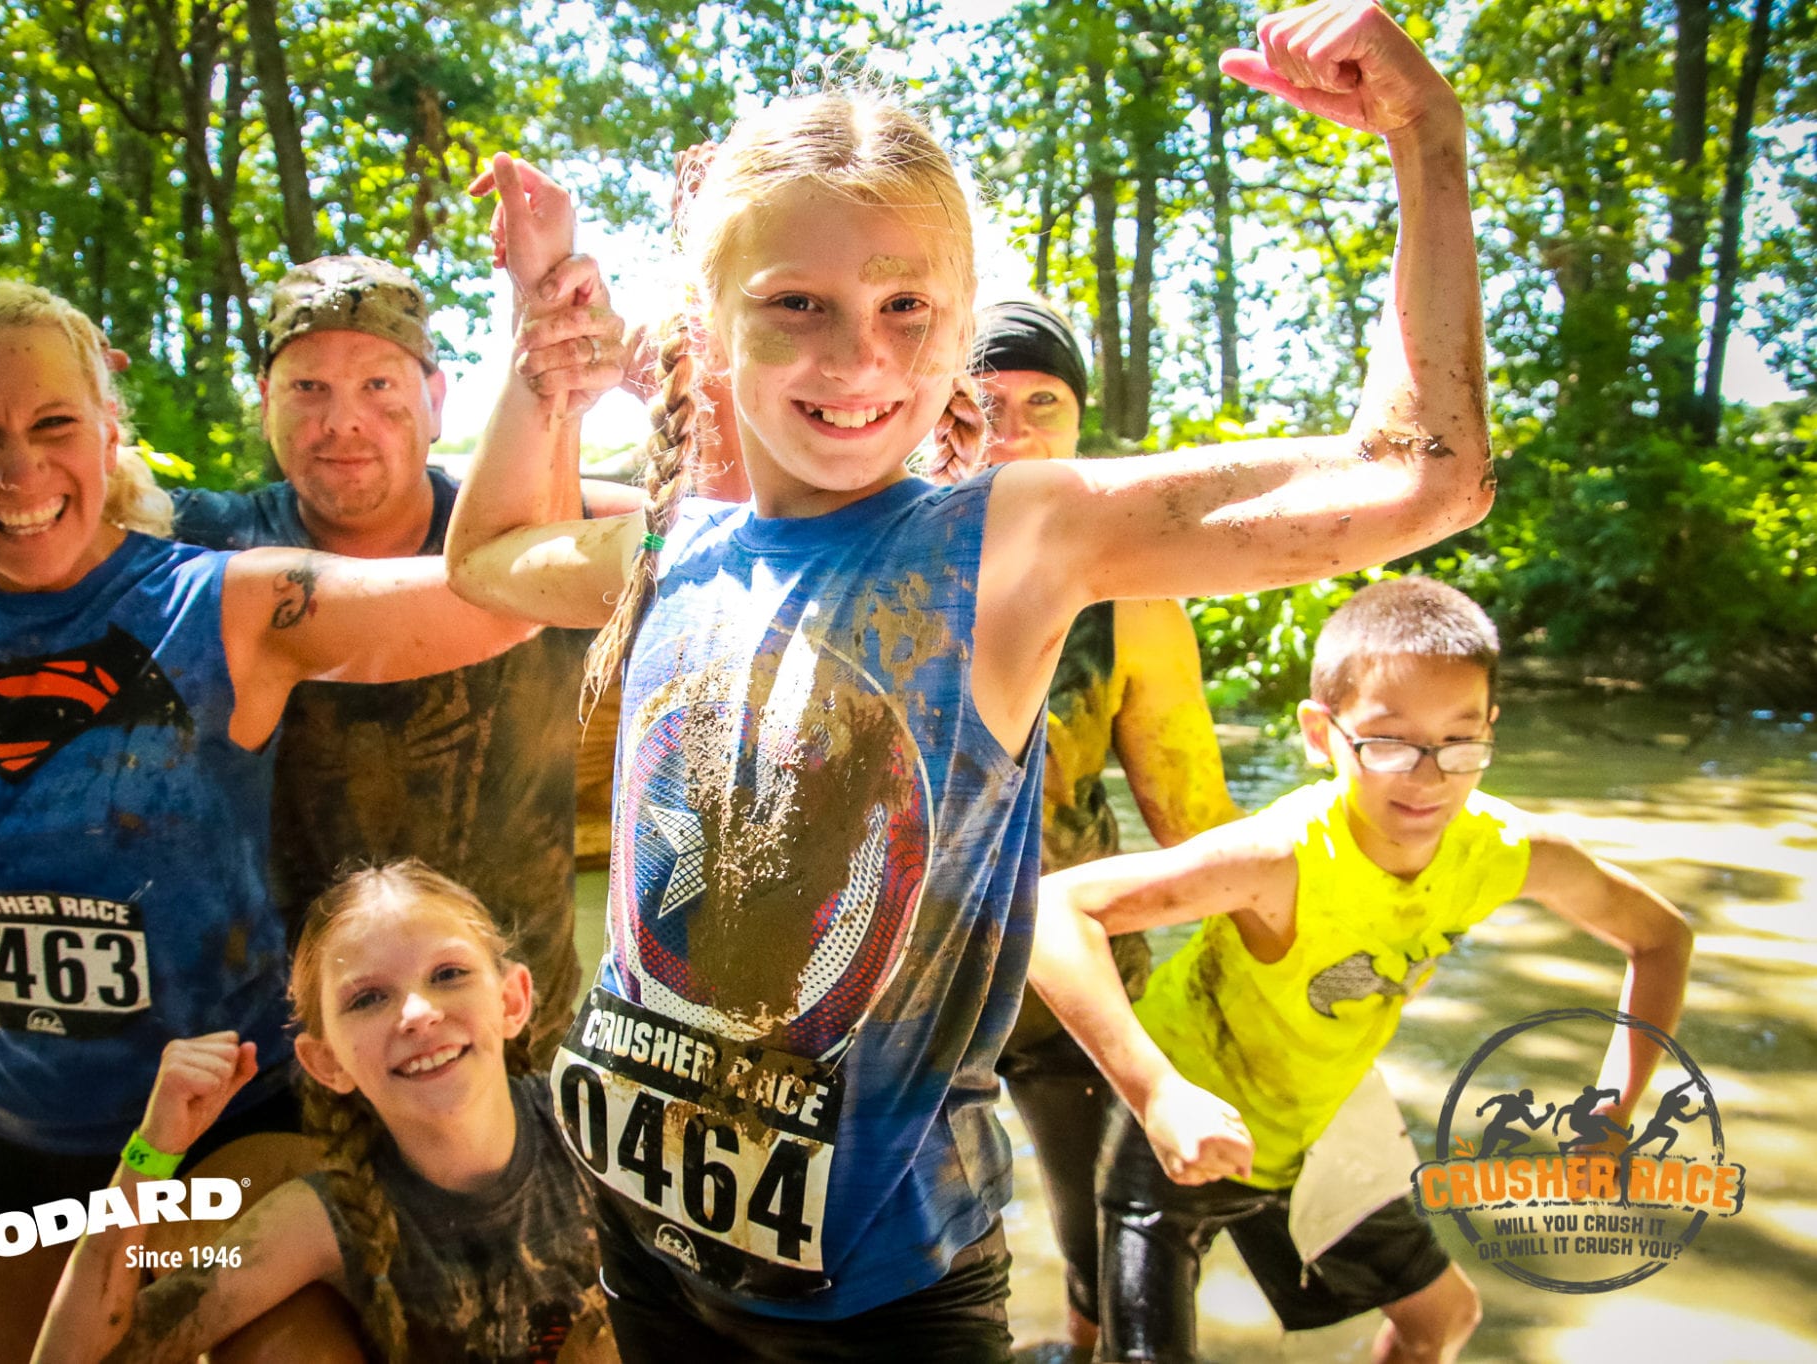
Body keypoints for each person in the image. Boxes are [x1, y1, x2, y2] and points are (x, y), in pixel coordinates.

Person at [448, 3, 1497, 1354]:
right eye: (795, 308)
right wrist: (543, 350)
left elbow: (1424, 475)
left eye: (905, 310)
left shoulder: (1002, 542)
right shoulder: (671, 546)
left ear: (958, 337)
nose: (857, 359)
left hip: (877, 1301)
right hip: (641, 1233)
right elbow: (484, 558)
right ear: (709, 325)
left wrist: (1427, 141)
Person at [0, 280, 595, 1360]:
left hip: (218, 1140)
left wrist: (547, 365)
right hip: (5, 1155)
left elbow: (489, 603)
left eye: (52, 425)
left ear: (110, 431)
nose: (18, 472)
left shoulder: (225, 604)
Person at [1030, 576, 1693, 1363]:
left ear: (1492, 727)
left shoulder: (1505, 851)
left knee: (1441, 1322)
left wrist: (1614, 1111)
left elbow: (1660, 940)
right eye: (1387, 742)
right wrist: (1157, 1091)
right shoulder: (1278, 857)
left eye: (1461, 741)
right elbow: (1054, 912)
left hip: (1318, 1125)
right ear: (1321, 733)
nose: (1429, 775)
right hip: (1177, 1122)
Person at [171, 255, 643, 1064]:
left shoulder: (549, 524)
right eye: (308, 389)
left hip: (524, 1033)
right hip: (300, 1050)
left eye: (380, 388)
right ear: (266, 406)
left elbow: (747, 526)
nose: (343, 422)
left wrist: (643, 366)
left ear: (435, 399)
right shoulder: (201, 549)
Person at [33, 862, 612, 1364]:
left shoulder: (600, 1129)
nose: (417, 1012)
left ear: (511, 1001)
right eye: (368, 998)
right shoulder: (324, 1221)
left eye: (448, 974)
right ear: (325, 1061)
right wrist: (152, 1150)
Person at [970, 296, 1242, 1356]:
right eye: (986, 401)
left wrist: (1277, 930)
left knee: (1095, 1228)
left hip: (1067, 967)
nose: (1016, 427)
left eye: (1045, 403)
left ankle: (1080, 1342)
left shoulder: (1132, 592)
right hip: (901, 970)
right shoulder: (877, 557)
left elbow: (1191, 808)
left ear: (1079, 424)